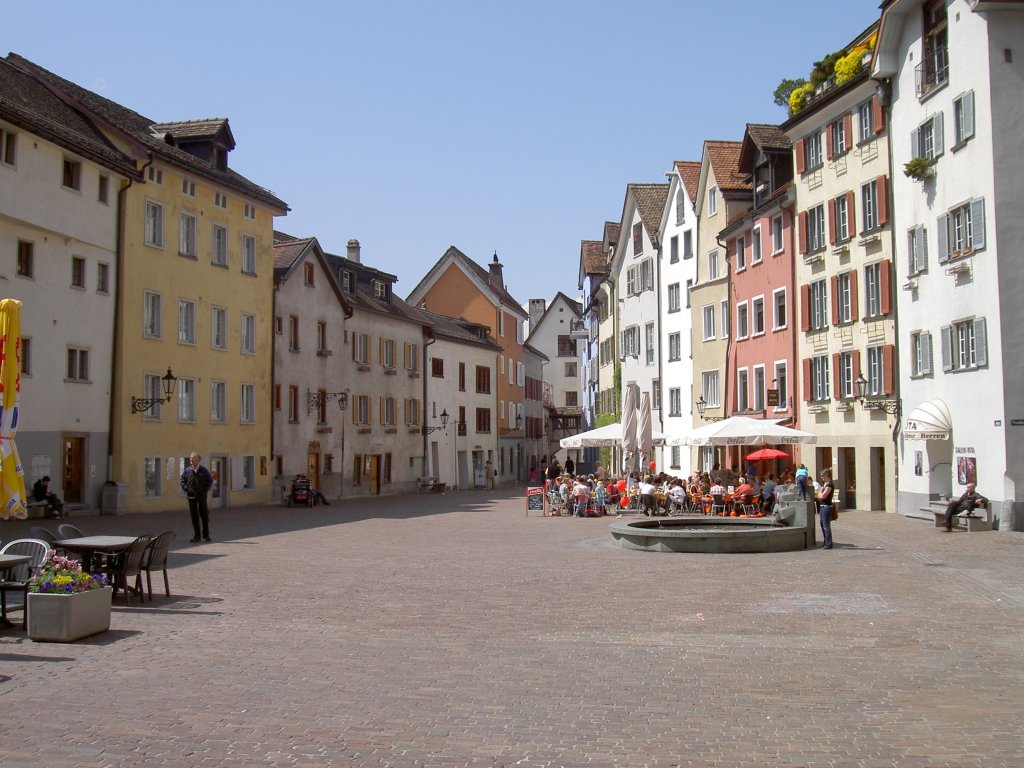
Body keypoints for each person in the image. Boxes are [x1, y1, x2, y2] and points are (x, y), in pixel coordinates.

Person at [180, 452, 213, 543]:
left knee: (204, 515)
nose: (191, 460)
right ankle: (196, 536)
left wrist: (205, 489)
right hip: (191, 496)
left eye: (193, 459)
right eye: (190, 458)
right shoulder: (187, 471)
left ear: (198, 460)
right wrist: (185, 487)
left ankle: (206, 535)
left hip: (202, 496)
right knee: (194, 516)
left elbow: (209, 481)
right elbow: (182, 480)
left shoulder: (203, 470)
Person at [817, 469, 835, 549]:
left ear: (827, 474)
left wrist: (820, 494)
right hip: (822, 506)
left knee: (826, 526)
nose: (821, 477)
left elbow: (823, 496)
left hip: (827, 507)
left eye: (822, 475)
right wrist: (820, 494)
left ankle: (829, 544)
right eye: (820, 475)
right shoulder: (825, 484)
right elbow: (819, 494)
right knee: (822, 524)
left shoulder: (829, 485)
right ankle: (826, 542)